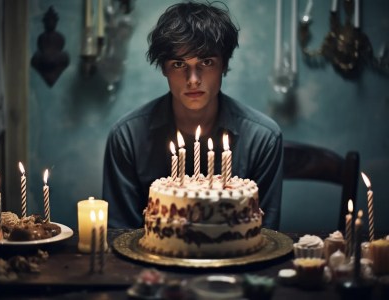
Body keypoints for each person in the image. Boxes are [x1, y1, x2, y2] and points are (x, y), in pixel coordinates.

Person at [102, 1, 283, 230]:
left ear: (224, 65)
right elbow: (121, 234)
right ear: (163, 68)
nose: (193, 79)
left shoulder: (262, 138)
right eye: (179, 64)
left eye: (206, 62)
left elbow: (265, 235)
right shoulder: (127, 137)